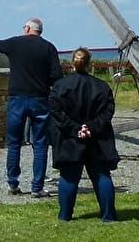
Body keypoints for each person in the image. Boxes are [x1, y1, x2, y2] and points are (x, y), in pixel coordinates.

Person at [0, 18, 63, 196]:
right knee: (40, 145)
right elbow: (57, 76)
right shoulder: (49, 48)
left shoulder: (16, 43)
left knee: (14, 143)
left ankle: (13, 184)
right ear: (40, 31)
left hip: (17, 98)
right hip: (40, 99)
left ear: (27, 29)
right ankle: (37, 187)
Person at [46, 47, 119, 222]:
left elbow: (57, 113)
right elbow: (107, 113)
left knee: (69, 177)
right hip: (97, 139)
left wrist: (76, 129)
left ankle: (65, 215)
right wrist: (90, 128)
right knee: (101, 175)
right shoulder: (102, 87)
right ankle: (108, 215)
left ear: (72, 63)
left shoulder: (60, 87)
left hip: (69, 138)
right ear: (89, 64)